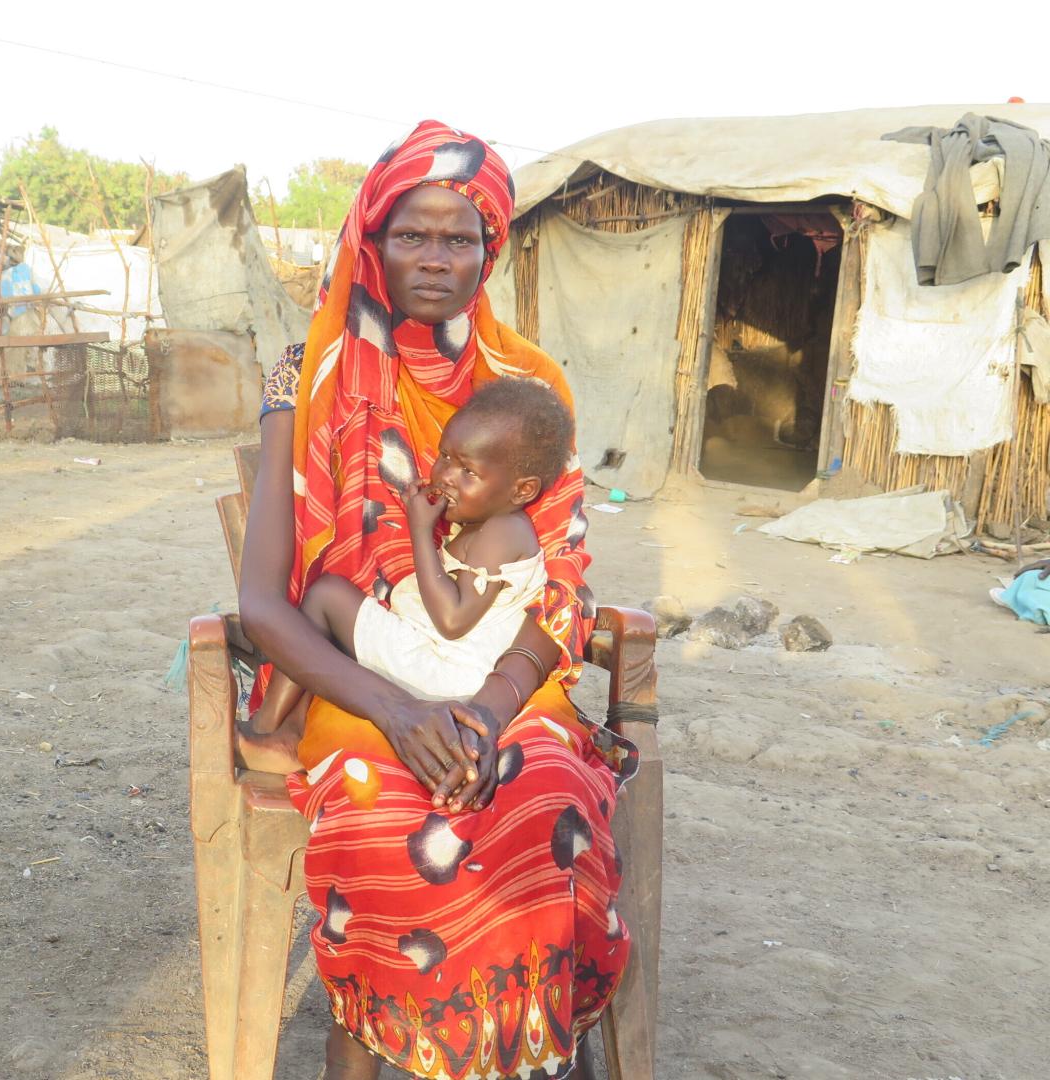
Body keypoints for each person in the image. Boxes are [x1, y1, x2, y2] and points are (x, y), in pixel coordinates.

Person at [236, 120, 636, 1080]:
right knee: (391, 809)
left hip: (502, 681)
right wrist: (399, 707)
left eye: (460, 237)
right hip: (360, 678)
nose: (434, 257)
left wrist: (488, 712)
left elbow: (564, 582)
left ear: (490, 250)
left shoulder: (531, 388)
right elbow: (262, 601)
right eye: (411, 233)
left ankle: (529, 1050)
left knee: (538, 788)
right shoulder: (313, 377)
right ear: (369, 240)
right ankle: (387, 1036)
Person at [252, 377, 571, 734]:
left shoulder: (502, 531)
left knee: (327, 597)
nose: (446, 476)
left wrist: (419, 530)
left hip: (448, 677)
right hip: (442, 668)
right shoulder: (488, 523)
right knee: (337, 627)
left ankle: (266, 726)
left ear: (522, 490)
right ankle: (293, 729)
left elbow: (452, 621)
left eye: (468, 471)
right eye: (445, 456)